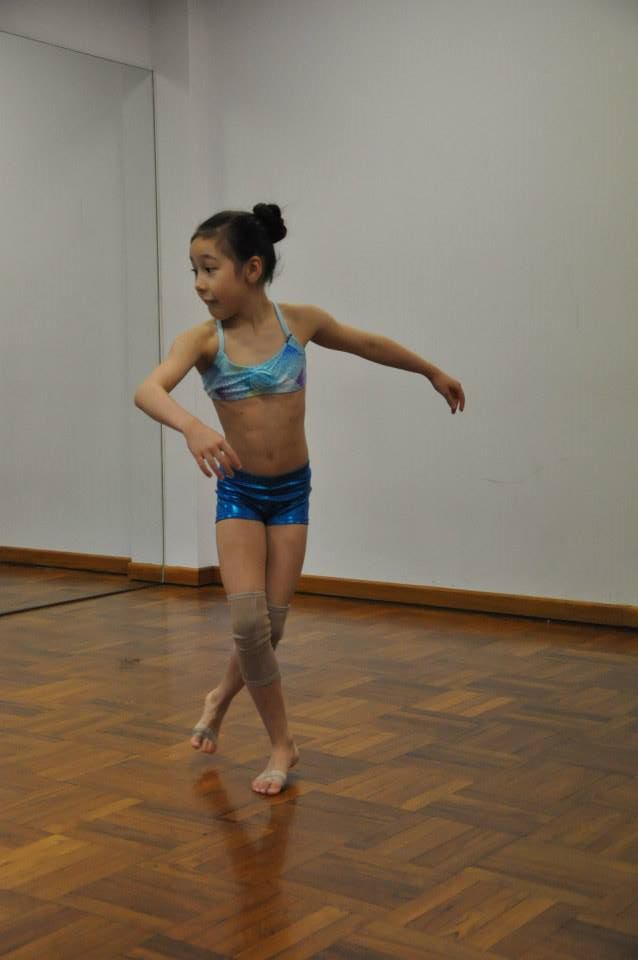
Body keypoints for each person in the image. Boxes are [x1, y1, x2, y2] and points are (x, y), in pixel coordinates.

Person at [134, 202, 465, 796]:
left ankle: (219, 698)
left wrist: (429, 371)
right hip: (240, 493)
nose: (199, 284)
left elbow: (367, 343)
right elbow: (148, 389)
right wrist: (191, 425)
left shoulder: (300, 324)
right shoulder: (203, 340)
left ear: (252, 269)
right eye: (193, 271)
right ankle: (283, 744)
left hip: (291, 494)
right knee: (247, 622)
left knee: (271, 628)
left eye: (209, 269)